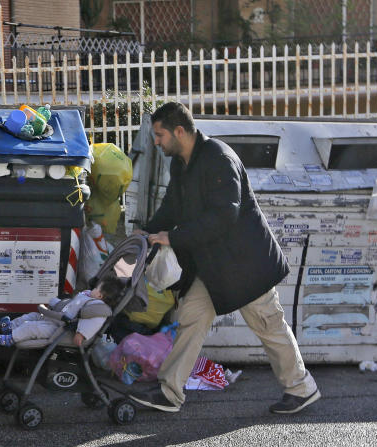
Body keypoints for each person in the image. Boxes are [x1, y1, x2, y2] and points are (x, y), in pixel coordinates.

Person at [129, 102, 319, 415]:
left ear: (179, 131)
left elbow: (223, 216)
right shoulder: (181, 164)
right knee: (191, 317)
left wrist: (172, 237)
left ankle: (301, 388)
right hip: (215, 265)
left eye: (160, 134)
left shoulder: (218, 158)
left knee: (268, 326)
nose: (156, 142)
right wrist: (145, 233)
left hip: (247, 265)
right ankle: (169, 392)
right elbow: (172, 208)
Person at [0, 277, 126, 348]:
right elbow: (70, 305)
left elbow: (92, 322)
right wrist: (55, 303)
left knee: (32, 327)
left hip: (62, 329)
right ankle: (11, 328)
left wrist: (81, 334)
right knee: (33, 316)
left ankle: (10, 339)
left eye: (97, 288)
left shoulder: (98, 308)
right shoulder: (87, 297)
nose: (94, 288)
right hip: (55, 318)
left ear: (100, 296)